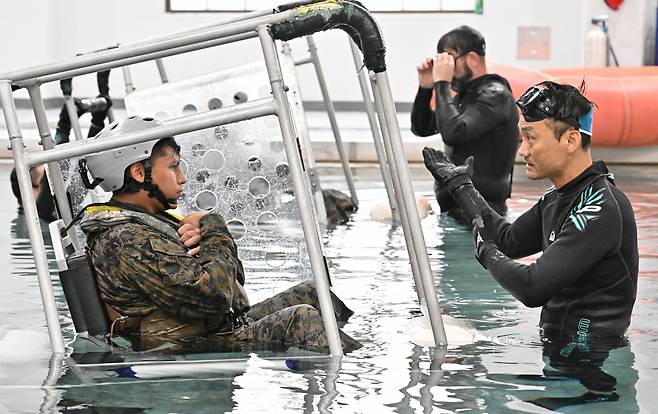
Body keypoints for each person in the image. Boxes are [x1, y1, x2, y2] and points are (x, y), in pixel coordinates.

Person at [423, 81, 638, 396]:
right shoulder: (559, 198)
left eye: (531, 138)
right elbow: (507, 239)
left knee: (481, 391)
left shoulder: (598, 207)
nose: (522, 150)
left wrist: (487, 254)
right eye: (521, 137)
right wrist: (460, 185)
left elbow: (532, 287)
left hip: (593, 372)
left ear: (570, 139)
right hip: (563, 360)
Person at [78, 116, 360, 353]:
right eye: (173, 166)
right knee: (302, 319)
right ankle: (358, 371)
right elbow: (214, 296)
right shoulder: (129, 240)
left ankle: (360, 348)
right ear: (140, 173)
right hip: (191, 343)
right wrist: (214, 230)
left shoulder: (150, 222)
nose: (183, 176)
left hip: (219, 324)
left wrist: (212, 235)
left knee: (314, 292)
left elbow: (234, 279)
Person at [411, 25, 518, 219]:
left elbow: (454, 132)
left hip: (484, 218)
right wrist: (426, 88)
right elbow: (422, 127)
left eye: (449, 58)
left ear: (472, 59)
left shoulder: (495, 95)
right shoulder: (467, 96)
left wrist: (442, 84)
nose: (445, 67)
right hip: (457, 214)